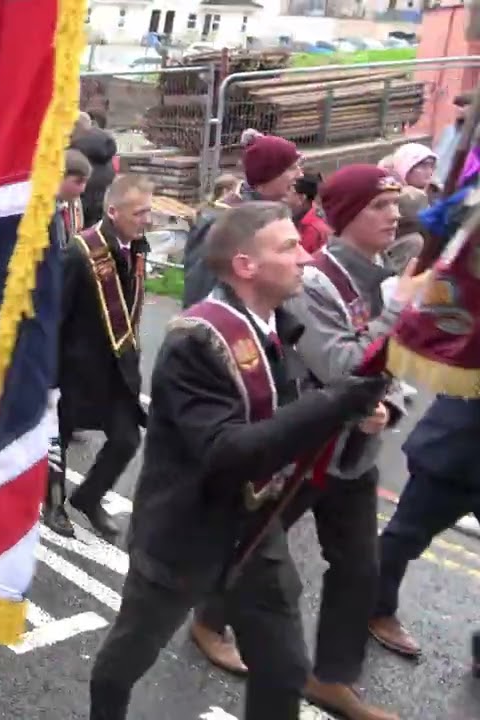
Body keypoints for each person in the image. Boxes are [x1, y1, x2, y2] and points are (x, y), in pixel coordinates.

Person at [87, 201, 391, 720]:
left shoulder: (278, 328)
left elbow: (283, 414)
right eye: (289, 247)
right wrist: (334, 402)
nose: (306, 259)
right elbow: (228, 453)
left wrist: (349, 413)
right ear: (246, 265)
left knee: (285, 668)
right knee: (129, 656)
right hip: (184, 537)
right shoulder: (196, 341)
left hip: (254, 533)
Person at [191, 165, 411, 720]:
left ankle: (332, 676)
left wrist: (392, 405)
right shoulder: (315, 282)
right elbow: (339, 364)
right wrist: (397, 310)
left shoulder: (389, 274)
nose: (394, 216)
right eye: (378, 207)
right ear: (347, 216)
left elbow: (398, 359)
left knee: (359, 567)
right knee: (256, 544)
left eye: (394, 205)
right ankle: (208, 619)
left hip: (355, 454)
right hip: (305, 448)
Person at [46, 175, 152, 538]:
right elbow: (55, 314)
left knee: (126, 440)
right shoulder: (79, 253)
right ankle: (53, 505)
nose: (147, 220)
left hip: (116, 370)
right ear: (113, 211)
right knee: (56, 438)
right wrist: (48, 377)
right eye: (139, 213)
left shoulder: (138, 247)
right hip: (75, 368)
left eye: (148, 211)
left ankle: (89, 498)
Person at [370, 396, 480, 660]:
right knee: (405, 536)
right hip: (456, 450)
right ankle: (374, 608)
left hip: (457, 446)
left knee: (403, 536)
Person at [183, 130, 303, 307]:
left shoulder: (275, 212)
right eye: (292, 168)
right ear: (270, 173)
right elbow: (199, 291)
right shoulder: (222, 220)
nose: (300, 174)